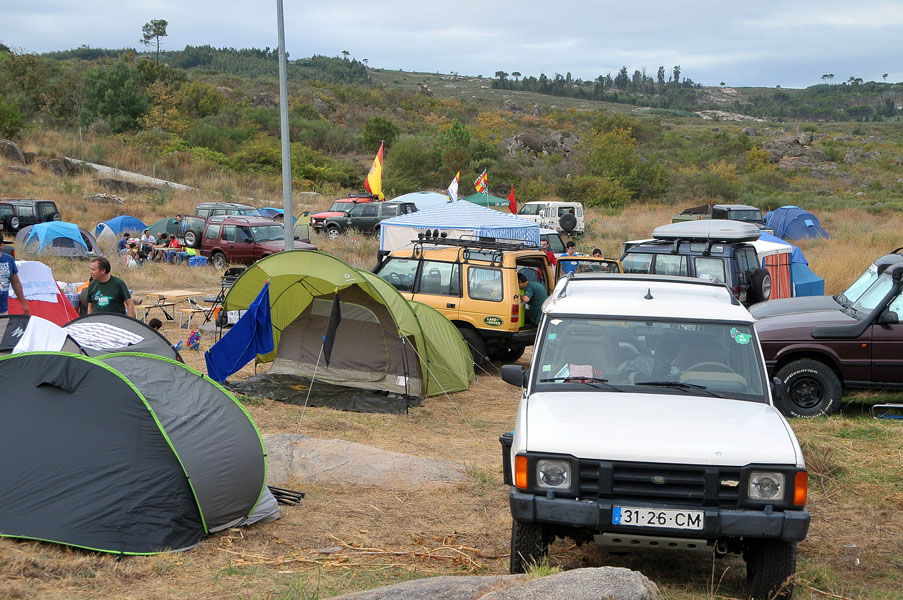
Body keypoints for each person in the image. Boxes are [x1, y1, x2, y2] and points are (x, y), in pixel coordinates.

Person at [0, 233, 29, 317]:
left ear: (1, 245)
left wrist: (23, 304)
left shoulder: (9, 260)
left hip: (2, 310)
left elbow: (16, 283)